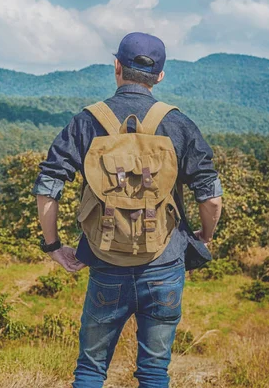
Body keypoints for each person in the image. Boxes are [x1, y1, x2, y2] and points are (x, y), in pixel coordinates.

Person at [32, 32, 223, 388]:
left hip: (106, 262)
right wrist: (204, 236)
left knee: (90, 370)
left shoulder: (87, 121)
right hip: (165, 263)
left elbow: (49, 185)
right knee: (153, 372)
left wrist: (53, 246)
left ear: (117, 66)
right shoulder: (178, 124)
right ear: (161, 76)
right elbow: (210, 197)